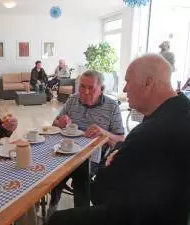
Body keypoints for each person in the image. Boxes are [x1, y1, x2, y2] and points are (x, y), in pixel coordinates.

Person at [48, 54, 190, 225]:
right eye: (82, 87)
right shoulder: (180, 112)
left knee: (58, 219)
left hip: (145, 215)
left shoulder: (147, 132)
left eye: (128, 81)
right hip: (170, 210)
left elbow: (101, 193)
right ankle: (54, 201)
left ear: (148, 83)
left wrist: (112, 152)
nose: (124, 89)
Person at [48, 70, 125, 215]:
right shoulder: (72, 100)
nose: (85, 92)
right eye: (82, 87)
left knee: (81, 173)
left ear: (101, 89)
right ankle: (53, 204)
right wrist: (60, 122)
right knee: (52, 170)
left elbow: (121, 139)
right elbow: (54, 124)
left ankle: (81, 214)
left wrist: (104, 133)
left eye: (91, 88)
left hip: (93, 155)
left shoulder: (111, 106)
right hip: (66, 149)